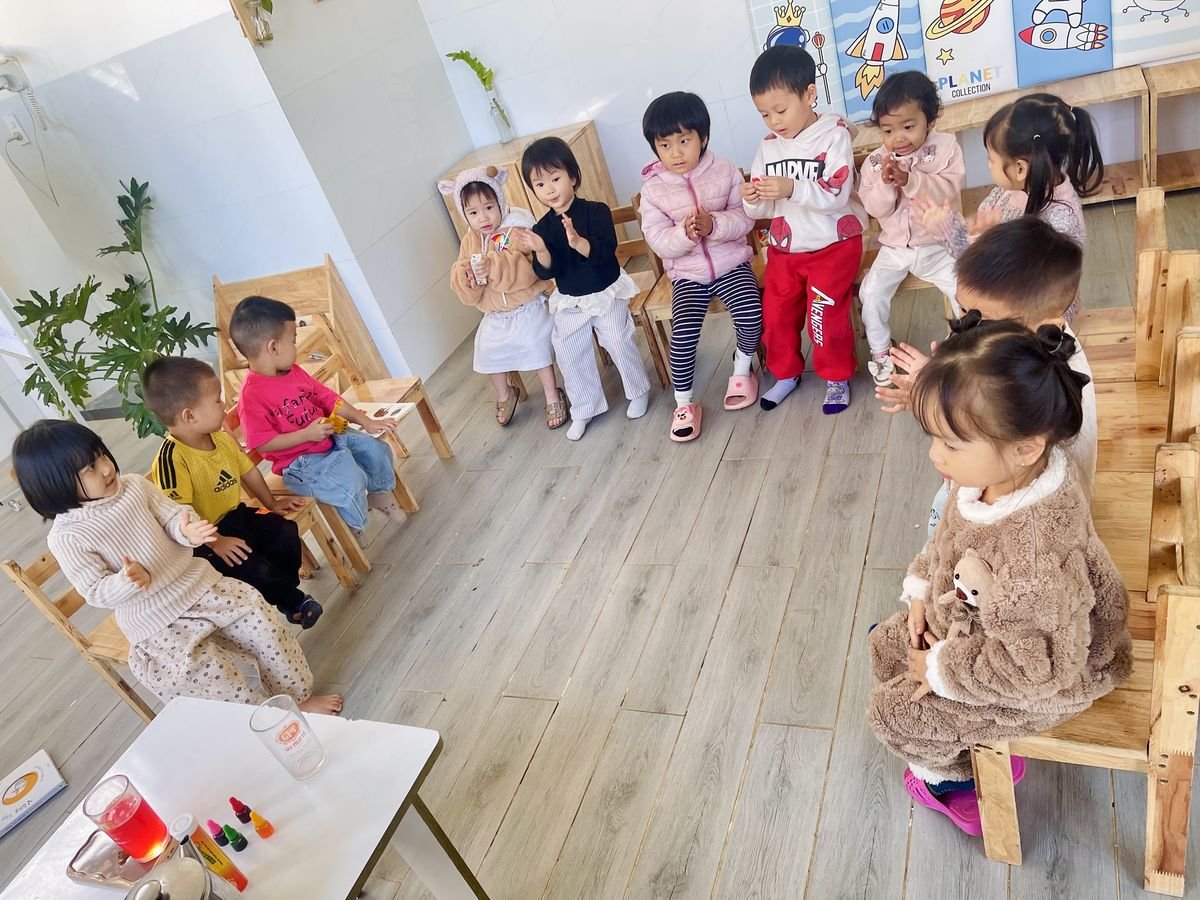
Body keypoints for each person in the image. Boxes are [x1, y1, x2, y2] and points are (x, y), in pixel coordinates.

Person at [867, 320, 1131, 836]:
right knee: (884, 648)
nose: (935, 454)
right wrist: (920, 590)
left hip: (1048, 677)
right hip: (981, 630)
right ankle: (952, 735)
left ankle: (955, 781)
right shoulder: (995, 476)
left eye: (950, 443)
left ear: (1026, 447)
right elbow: (946, 540)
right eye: (934, 438)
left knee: (894, 716)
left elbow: (1039, 671)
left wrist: (940, 670)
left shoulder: (1034, 560)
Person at [14, 419, 341, 713]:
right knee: (209, 681)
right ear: (55, 485)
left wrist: (188, 531)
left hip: (198, 583)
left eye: (100, 455)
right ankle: (264, 720)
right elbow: (95, 590)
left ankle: (298, 698)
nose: (104, 468)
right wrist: (126, 581)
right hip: (155, 622)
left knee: (264, 624)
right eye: (88, 468)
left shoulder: (135, 486)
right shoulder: (67, 537)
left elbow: (173, 516)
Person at [876, 217, 1097, 534]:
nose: (968, 327)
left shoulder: (1053, 385)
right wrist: (936, 394)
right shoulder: (1011, 350)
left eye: (983, 320)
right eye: (963, 312)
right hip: (973, 485)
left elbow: (1059, 489)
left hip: (1008, 522)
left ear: (1046, 324)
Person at [142, 356, 324, 629]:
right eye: (217, 400)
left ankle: (284, 596)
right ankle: (294, 602)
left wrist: (271, 503)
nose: (224, 405)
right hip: (205, 540)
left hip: (237, 515)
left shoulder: (220, 437)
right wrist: (217, 542)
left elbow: (248, 472)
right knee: (250, 565)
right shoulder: (172, 459)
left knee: (284, 532)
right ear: (190, 416)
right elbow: (180, 515)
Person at [742, 44, 866, 414]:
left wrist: (792, 188)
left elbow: (837, 192)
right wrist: (753, 198)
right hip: (786, 249)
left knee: (823, 315)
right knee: (776, 315)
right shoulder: (768, 147)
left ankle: (837, 376)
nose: (773, 121)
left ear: (810, 94)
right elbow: (763, 209)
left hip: (834, 244)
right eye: (764, 114)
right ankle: (786, 374)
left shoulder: (834, 134)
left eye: (780, 110)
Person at [913, 92, 1104, 320]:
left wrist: (973, 240)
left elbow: (998, 283)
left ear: (1020, 169)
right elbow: (980, 261)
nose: (988, 165)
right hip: (1008, 305)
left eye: (991, 159)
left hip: (1040, 322)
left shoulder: (1059, 222)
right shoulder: (1009, 192)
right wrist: (954, 229)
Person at [638, 90, 762, 442]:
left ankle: (742, 369)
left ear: (703, 138)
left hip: (730, 264)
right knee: (682, 337)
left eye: (684, 141)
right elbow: (658, 240)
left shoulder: (725, 170)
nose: (675, 153)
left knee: (752, 313)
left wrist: (714, 226)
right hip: (687, 275)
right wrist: (686, 234)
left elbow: (745, 218)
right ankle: (684, 403)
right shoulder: (653, 191)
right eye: (665, 145)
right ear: (655, 148)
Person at [512, 137, 650, 441]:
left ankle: (637, 390)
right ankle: (584, 407)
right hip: (571, 300)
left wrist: (577, 242)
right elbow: (546, 272)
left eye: (555, 179)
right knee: (567, 349)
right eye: (540, 184)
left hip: (605, 292)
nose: (549, 189)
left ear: (573, 176)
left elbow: (605, 252)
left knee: (617, 338)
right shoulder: (542, 229)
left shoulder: (596, 212)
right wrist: (540, 249)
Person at [229, 295, 400, 534]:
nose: (296, 346)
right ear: (273, 347)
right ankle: (354, 526)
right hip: (301, 462)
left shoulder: (294, 371)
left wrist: (366, 421)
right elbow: (263, 443)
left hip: (331, 437)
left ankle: (380, 496)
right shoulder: (251, 396)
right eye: (293, 340)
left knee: (377, 450)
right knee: (351, 480)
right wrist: (306, 435)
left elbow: (329, 398)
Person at [858, 71, 965, 387]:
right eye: (888, 130)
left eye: (908, 126)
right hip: (894, 250)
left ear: (929, 120)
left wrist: (911, 180)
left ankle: (967, 345)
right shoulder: (876, 162)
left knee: (964, 289)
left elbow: (949, 190)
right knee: (870, 292)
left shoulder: (945, 147)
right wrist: (886, 185)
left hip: (939, 244)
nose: (898, 138)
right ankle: (881, 351)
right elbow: (874, 208)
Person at [439, 165, 567, 429]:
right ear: (465, 215)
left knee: (535, 343)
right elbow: (466, 284)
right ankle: (505, 394)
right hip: (496, 313)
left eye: (489, 207)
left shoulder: (514, 230)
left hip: (528, 306)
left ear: (499, 202)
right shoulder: (470, 241)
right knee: (487, 348)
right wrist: (468, 277)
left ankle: (552, 394)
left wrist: (494, 266)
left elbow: (530, 269)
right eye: (473, 213)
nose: (483, 218)